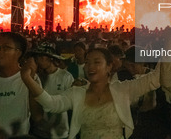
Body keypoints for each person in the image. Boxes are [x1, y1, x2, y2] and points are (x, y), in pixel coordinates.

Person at [20, 47, 160, 139]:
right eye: (87, 62)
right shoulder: (77, 93)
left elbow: (155, 79)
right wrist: (28, 78)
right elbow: (51, 104)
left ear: (109, 67)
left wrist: (169, 46)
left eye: (96, 62)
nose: (90, 66)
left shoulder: (122, 89)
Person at [33, 42, 74, 139]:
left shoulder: (65, 76)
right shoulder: (36, 78)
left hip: (60, 132)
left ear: (49, 58)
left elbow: (72, 103)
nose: (37, 61)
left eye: (40, 57)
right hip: (39, 132)